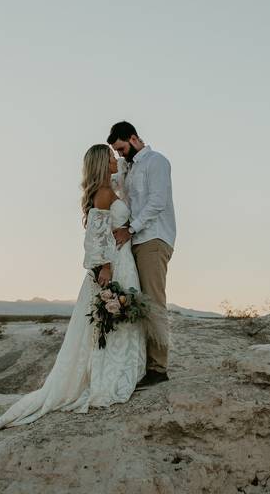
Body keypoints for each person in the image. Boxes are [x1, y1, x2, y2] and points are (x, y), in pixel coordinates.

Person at [0, 144, 146, 443]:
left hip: (123, 259)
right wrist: (105, 269)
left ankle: (120, 370)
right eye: (111, 157)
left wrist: (133, 153)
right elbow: (96, 235)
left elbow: (123, 173)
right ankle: (108, 377)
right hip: (115, 263)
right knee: (110, 319)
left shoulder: (109, 186)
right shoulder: (103, 192)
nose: (116, 160)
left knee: (115, 320)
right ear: (101, 164)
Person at [107, 121, 176, 388]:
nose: (120, 154)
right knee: (138, 301)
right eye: (116, 152)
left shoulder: (156, 162)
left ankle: (159, 369)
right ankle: (142, 364)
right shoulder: (130, 167)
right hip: (136, 240)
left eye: (122, 148)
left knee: (154, 302)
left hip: (153, 238)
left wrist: (130, 229)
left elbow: (157, 202)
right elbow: (114, 186)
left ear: (134, 138)